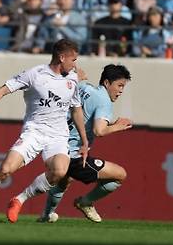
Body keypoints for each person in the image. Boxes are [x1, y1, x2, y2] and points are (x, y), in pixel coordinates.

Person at [0, 39, 89, 223]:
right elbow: (3, 89)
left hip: (58, 136)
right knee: (5, 169)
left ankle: (19, 199)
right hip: (34, 132)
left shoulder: (72, 78)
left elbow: (76, 109)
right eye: (73, 59)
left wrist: (84, 140)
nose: (75, 64)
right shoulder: (35, 74)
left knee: (59, 171)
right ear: (62, 57)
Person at [39, 64, 132, 223]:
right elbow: (99, 131)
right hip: (74, 154)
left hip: (56, 145)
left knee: (64, 181)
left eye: (123, 86)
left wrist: (76, 72)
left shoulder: (84, 87)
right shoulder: (104, 102)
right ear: (107, 83)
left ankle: (46, 215)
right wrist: (119, 126)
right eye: (119, 85)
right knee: (120, 175)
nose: (121, 90)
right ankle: (86, 202)